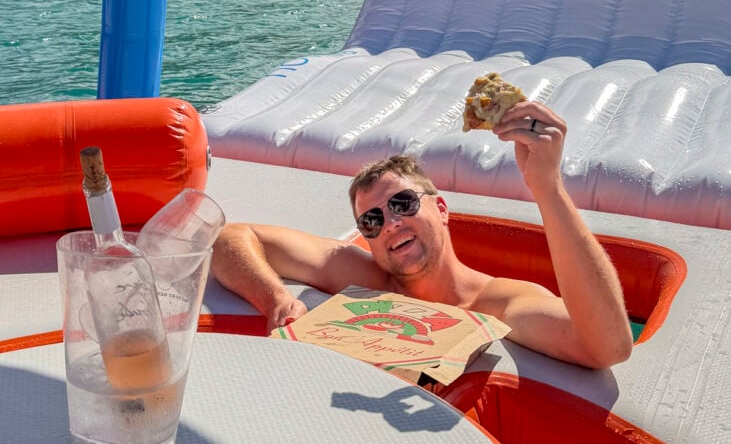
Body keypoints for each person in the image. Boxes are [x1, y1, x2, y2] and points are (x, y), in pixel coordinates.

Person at [211, 100, 634, 369]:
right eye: (372, 222)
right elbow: (231, 238)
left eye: (402, 204)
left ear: (442, 208)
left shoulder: (499, 304)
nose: (390, 223)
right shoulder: (365, 279)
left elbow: (606, 347)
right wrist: (275, 298)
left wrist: (548, 187)